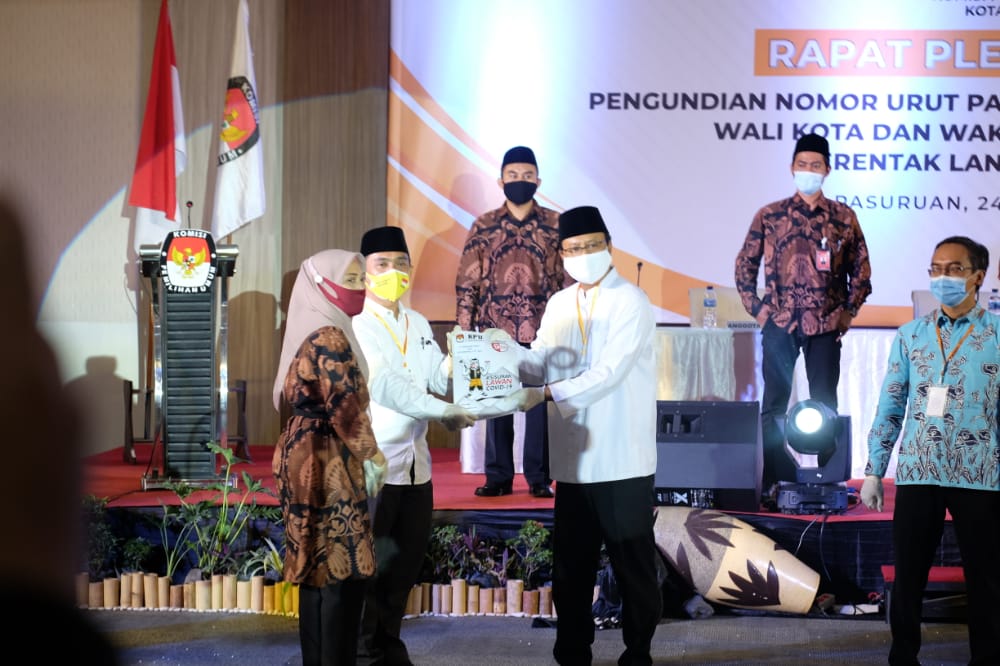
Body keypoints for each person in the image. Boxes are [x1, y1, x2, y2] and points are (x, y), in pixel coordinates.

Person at [499, 205, 663, 665]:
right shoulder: (558, 302)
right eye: (572, 248)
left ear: (608, 246)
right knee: (571, 570)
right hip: (574, 462)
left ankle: (638, 653)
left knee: (633, 567)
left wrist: (544, 394)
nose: (582, 255)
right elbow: (541, 358)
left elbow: (610, 373)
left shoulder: (630, 300)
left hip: (622, 459)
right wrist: (499, 353)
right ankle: (572, 653)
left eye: (591, 246)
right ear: (562, 253)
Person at [861, 236, 1000, 666]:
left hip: (979, 473)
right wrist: (873, 468)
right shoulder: (911, 335)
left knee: (987, 579)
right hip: (919, 469)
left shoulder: (995, 334)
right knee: (909, 577)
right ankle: (903, 657)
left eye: (955, 269)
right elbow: (891, 402)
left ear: (979, 276)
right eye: (936, 268)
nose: (943, 277)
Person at [353, 226, 476, 666]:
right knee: (370, 565)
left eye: (400, 263)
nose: (392, 272)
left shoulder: (418, 321)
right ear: (364, 270)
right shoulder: (357, 324)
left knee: (403, 567)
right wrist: (443, 412)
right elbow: (385, 386)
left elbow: (434, 378)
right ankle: (364, 650)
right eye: (381, 264)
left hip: (416, 467)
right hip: (377, 466)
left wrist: (462, 357)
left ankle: (389, 644)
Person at [734, 132, 872, 498]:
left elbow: (861, 273)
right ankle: (774, 479)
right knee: (775, 404)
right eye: (801, 164)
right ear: (792, 168)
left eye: (815, 165)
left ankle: (831, 478)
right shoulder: (770, 215)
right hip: (779, 324)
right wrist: (760, 312)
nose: (808, 171)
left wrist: (847, 314)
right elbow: (744, 267)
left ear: (827, 169)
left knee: (826, 403)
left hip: (825, 324)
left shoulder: (843, 217)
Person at [272, 249, 386, 666]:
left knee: (317, 572)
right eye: (351, 279)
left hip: (306, 452)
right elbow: (345, 406)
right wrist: (373, 455)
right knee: (341, 569)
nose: (361, 287)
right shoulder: (330, 335)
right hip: (328, 457)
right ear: (322, 285)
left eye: (361, 279)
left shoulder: (313, 325)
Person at [455, 145, 566, 498]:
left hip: (543, 327)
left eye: (527, 176)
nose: (520, 182)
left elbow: (566, 278)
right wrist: (463, 324)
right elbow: (468, 278)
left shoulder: (555, 225)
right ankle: (498, 476)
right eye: (513, 176)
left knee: (537, 404)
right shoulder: (484, 224)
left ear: (538, 181)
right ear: (501, 180)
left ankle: (539, 478)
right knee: (497, 403)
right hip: (494, 328)